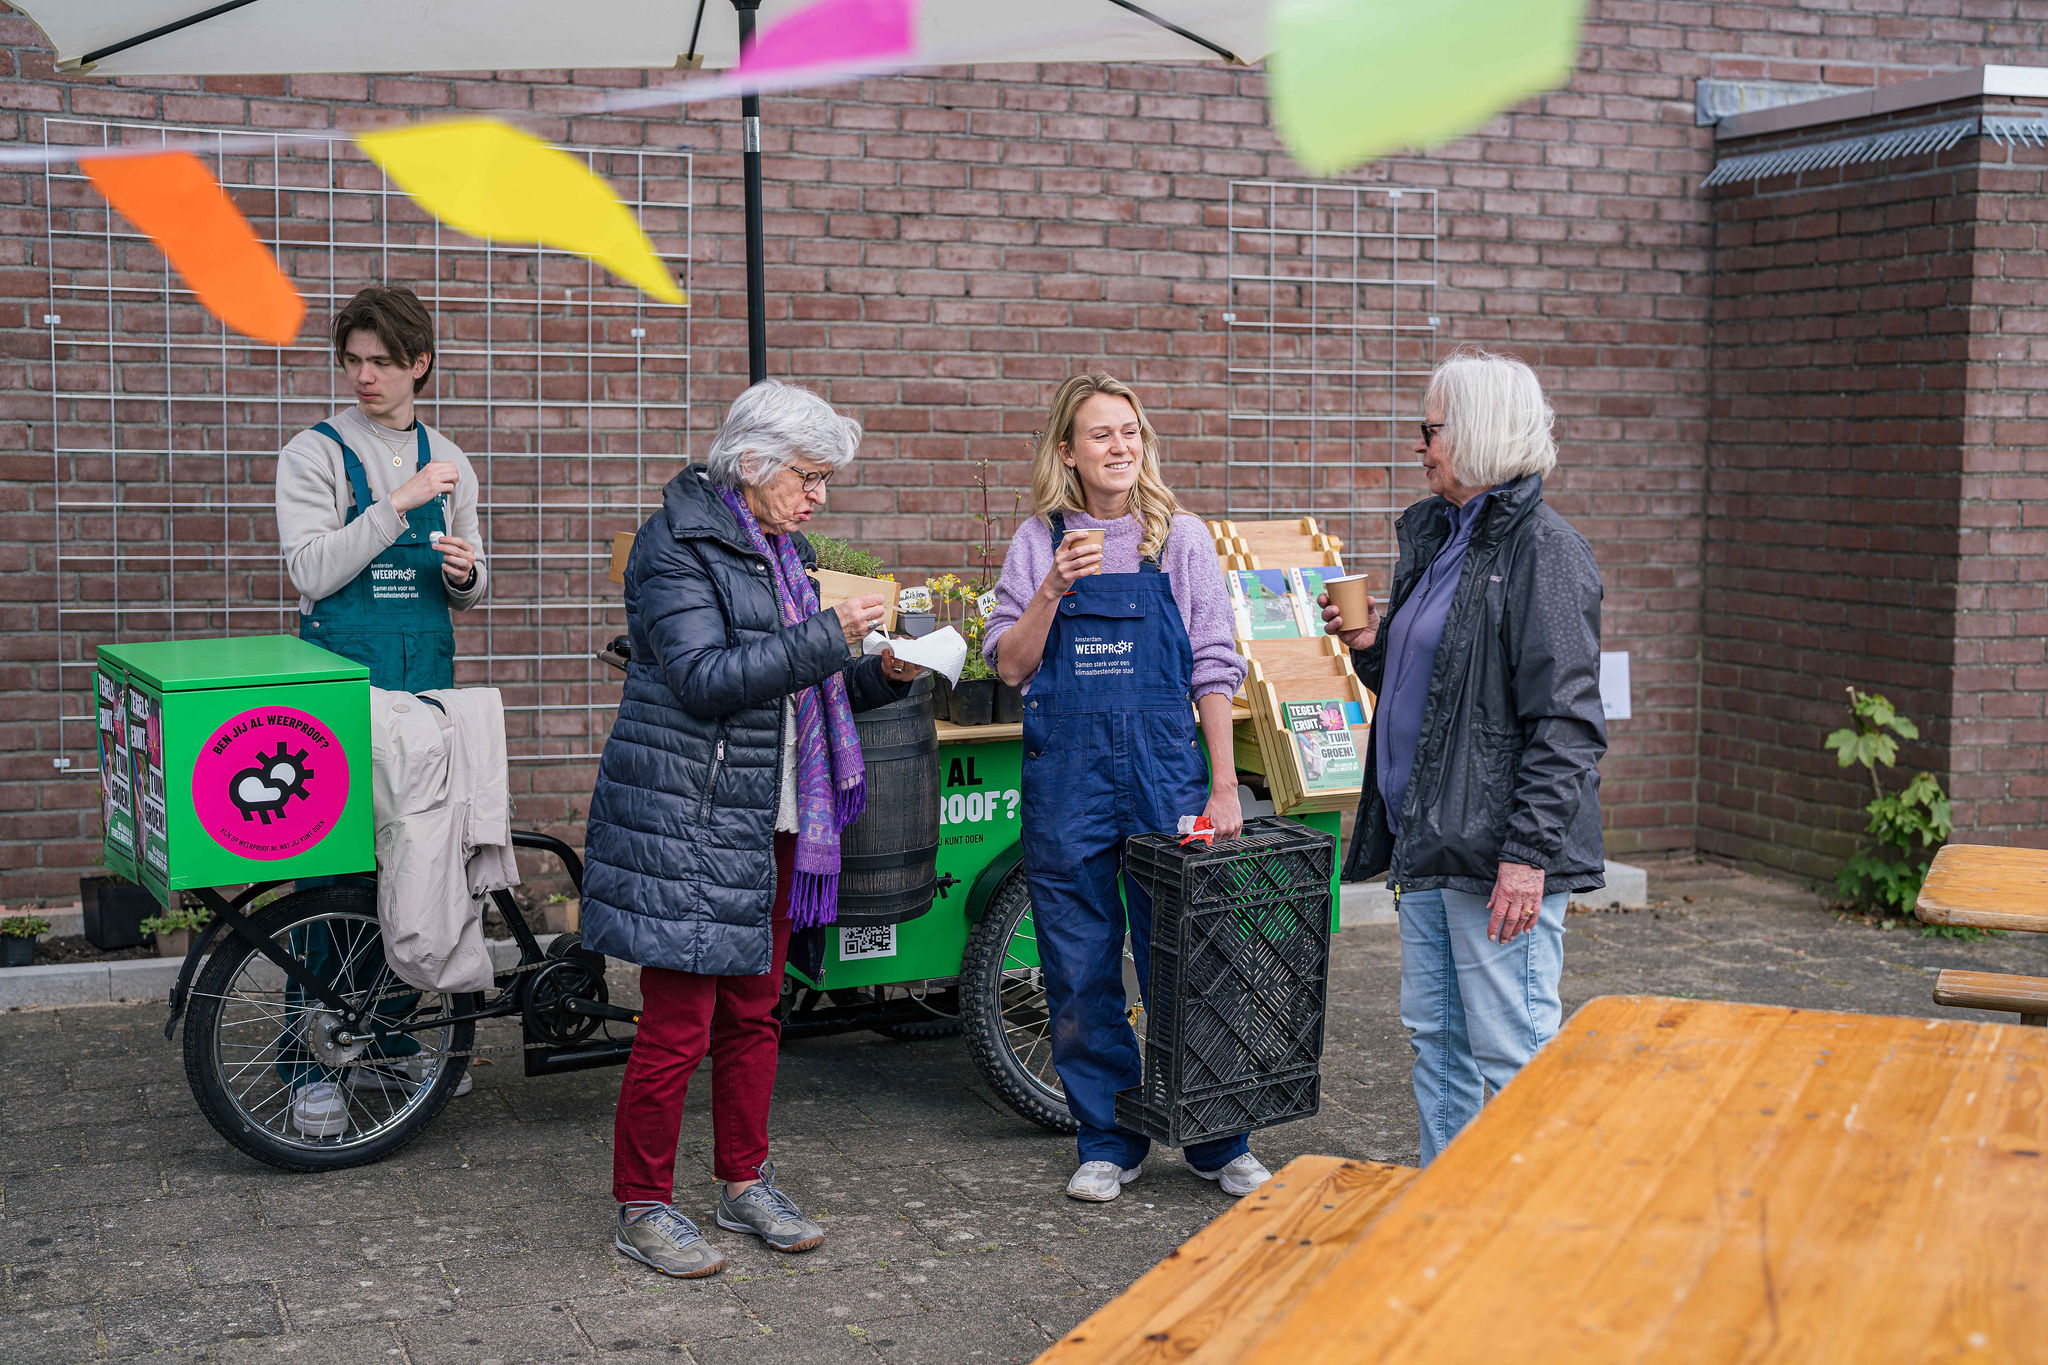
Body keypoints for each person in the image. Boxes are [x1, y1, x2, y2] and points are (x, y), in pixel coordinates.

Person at [581, 380, 924, 1279]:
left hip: (770, 816)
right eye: (808, 477)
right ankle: (642, 1205)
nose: (819, 497)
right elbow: (704, 678)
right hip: (689, 818)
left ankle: (743, 1180)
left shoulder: (785, 549)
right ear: (752, 462)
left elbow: (805, 688)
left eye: (825, 480)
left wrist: (881, 673)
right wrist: (826, 634)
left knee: (755, 1010)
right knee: (678, 1025)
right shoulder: (675, 545)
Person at [985, 371, 1268, 1204]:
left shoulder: (1177, 536)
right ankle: (1109, 1138)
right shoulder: (1037, 540)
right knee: (1078, 966)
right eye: (1101, 433)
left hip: (1163, 774)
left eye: (1130, 431)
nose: (1120, 446)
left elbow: (1213, 663)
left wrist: (1224, 785)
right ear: (1067, 451)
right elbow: (1010, 666)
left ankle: (1219, 1140)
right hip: (1068, 782)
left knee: (1192, 954)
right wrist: (1051, 588)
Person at [1320, 349, 1606, 1165]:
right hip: (1430, 837)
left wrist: (1527, 856)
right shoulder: (1444, 536)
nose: (1420, 445)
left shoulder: (1545, 552)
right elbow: (1442, 688)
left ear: (1478, 432)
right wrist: (1372, 645)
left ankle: (1527, 1220)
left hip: (1493, 854)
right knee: (1438, 1040)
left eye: (1432, 429)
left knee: (1512, 1051)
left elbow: (1566, 724)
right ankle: (1442, 1204)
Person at [272, 286, 489, 1139]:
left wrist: (467, 574)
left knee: (418, 866)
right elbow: (311, 571)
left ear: (418, 364)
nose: (364, 376)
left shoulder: (451, 460)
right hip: (339, 693)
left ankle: (391, 1041)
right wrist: (396, 503)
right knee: (330, 877)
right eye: (353, 361)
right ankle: (308, 1063)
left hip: (424, 687)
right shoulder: (314, 454)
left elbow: (470, 584)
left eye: (382, 362)